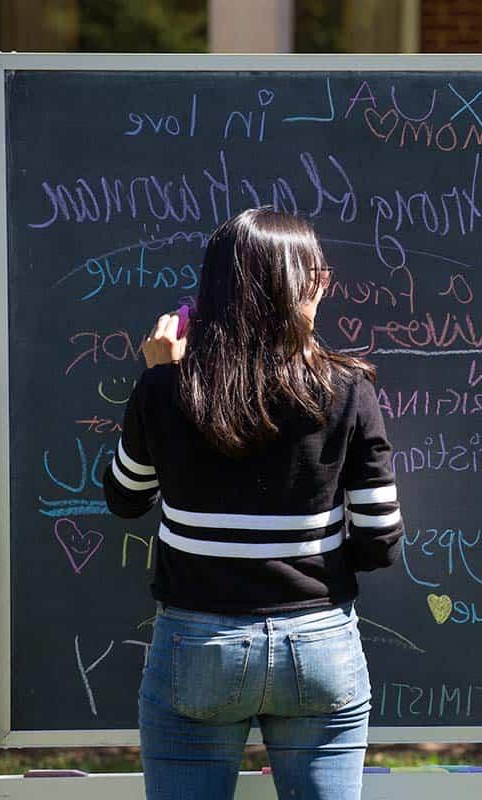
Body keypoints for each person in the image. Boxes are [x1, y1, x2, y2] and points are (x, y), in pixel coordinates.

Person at [102, 208, 404, 800]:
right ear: (303, 286)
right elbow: (381, 539)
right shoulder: (349, 390)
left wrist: (158, 380)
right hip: (319, 643)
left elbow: (125, 497)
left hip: (198, 642)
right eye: (317, 274)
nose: (325, 284)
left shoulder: (166, 386)